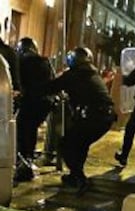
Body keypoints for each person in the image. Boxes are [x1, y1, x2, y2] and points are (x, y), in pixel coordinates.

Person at [46, 47, 116, 194]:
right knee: (80, 144)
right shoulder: (92, 73)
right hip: (105, 117)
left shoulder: (74, 75)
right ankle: (74, 175)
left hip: (93, 117)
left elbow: (50, 87)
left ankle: (79, 177)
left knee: (66, 144)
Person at [14, 37, 55, 181]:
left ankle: (23, 163)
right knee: (30, 130)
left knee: (21, 129)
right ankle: (27, 158)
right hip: (43, 103)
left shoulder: (21, 59)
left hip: (30, 101)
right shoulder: (44, 61)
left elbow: (18, 81)